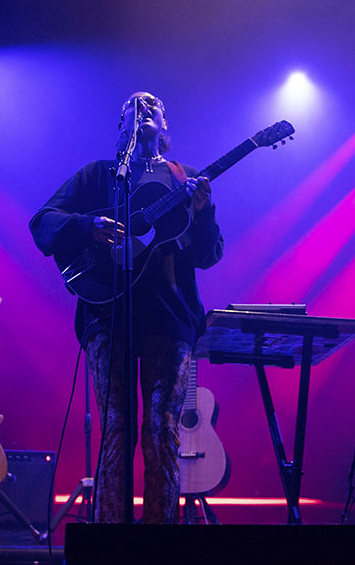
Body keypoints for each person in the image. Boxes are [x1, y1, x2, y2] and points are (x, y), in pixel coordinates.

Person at [29, 92, 223, 524]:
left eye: (154, 104)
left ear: (165, 124)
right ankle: (108, 541)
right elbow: (42, 222)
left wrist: (205, 211)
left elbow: (208, 255)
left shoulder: (186, 178)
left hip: (169, 317)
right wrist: (88, 225)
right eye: (135, 104)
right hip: (107, 314)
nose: (145, 106)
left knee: (162, 428)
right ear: (122, 124)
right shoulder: (99, 175)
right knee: (116, 427)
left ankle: (158, 543)